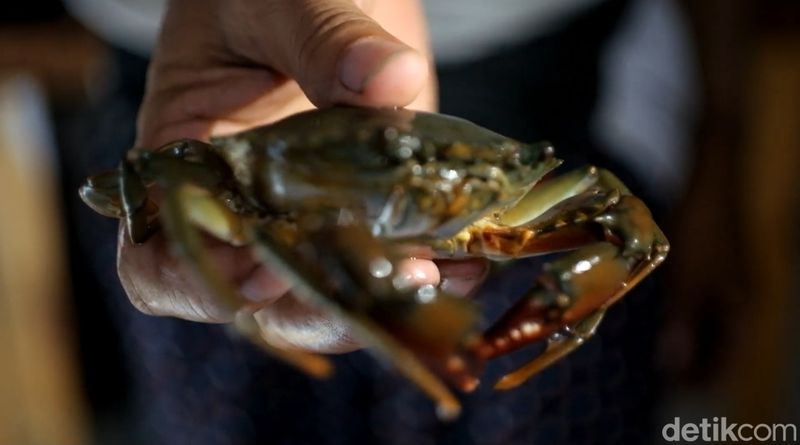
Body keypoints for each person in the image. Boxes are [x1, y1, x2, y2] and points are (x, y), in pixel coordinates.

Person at [65, 0, 697, 443]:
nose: (427, 190)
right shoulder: (229, 174)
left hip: (547, 74)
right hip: (213, 80)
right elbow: (138, 186)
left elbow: (628, 227)